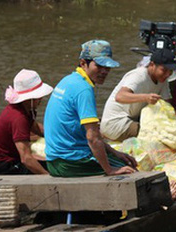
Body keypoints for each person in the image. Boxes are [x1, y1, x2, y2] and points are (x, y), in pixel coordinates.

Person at [44, 40, 137, 177]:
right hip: (69, 163)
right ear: (83, 63)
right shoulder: (83, 89)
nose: (104, 71)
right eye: (99, 66)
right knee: (130, 170)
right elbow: (92, 137)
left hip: (54, 161)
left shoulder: (69, 80)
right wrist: (110, 170)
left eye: (107, 67)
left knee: (120, 160)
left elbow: (89, 133)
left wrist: (114, 152)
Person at [101, 48, 176, 142]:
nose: (168, 74)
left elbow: (167, 104)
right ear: (152, 65)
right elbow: (120, 96)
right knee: (158, 136)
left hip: (134, 119)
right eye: (164, 70)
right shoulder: (139, 76)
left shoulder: (162, 80)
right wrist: (146, 97)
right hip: (116, 123)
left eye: (170, 71)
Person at [0, 70, 53, 176]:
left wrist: (56, 136)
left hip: (12, 161)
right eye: (38, 97)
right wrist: (47, 177)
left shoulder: (25, 109)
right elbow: (26, 158)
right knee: (51, 171)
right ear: (30, 98)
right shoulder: (19, 118)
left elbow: (36, 128)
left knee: (53, 165)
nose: (41, 99)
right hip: (1, 168)